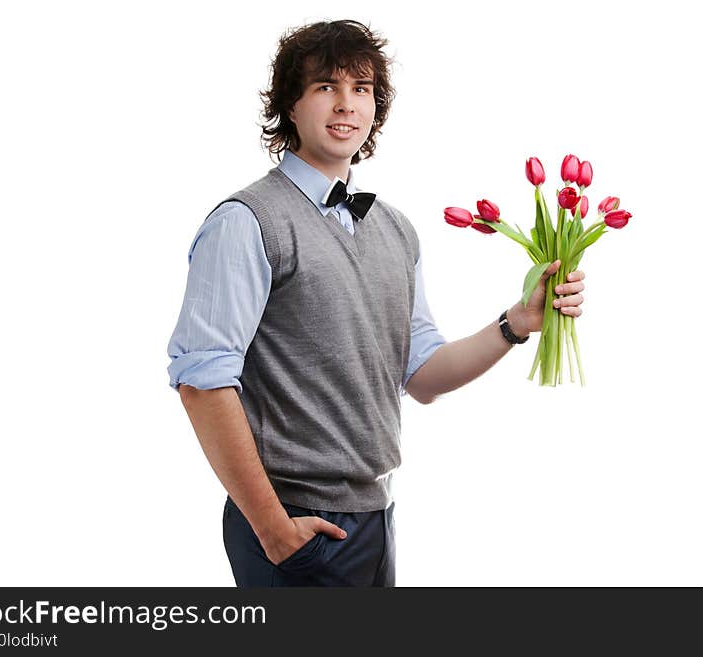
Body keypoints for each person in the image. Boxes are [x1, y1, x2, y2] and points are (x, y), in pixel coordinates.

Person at [166, 19, 585, 587]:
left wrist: (517, 323)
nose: (345, 106)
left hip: (376, 518)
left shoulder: (396, 230)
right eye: (325, 88)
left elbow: (423, 374)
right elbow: (202, 381)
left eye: (360, 89)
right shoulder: (247, 222)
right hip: (294, 524)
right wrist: (272, 529)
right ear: (291, 103)